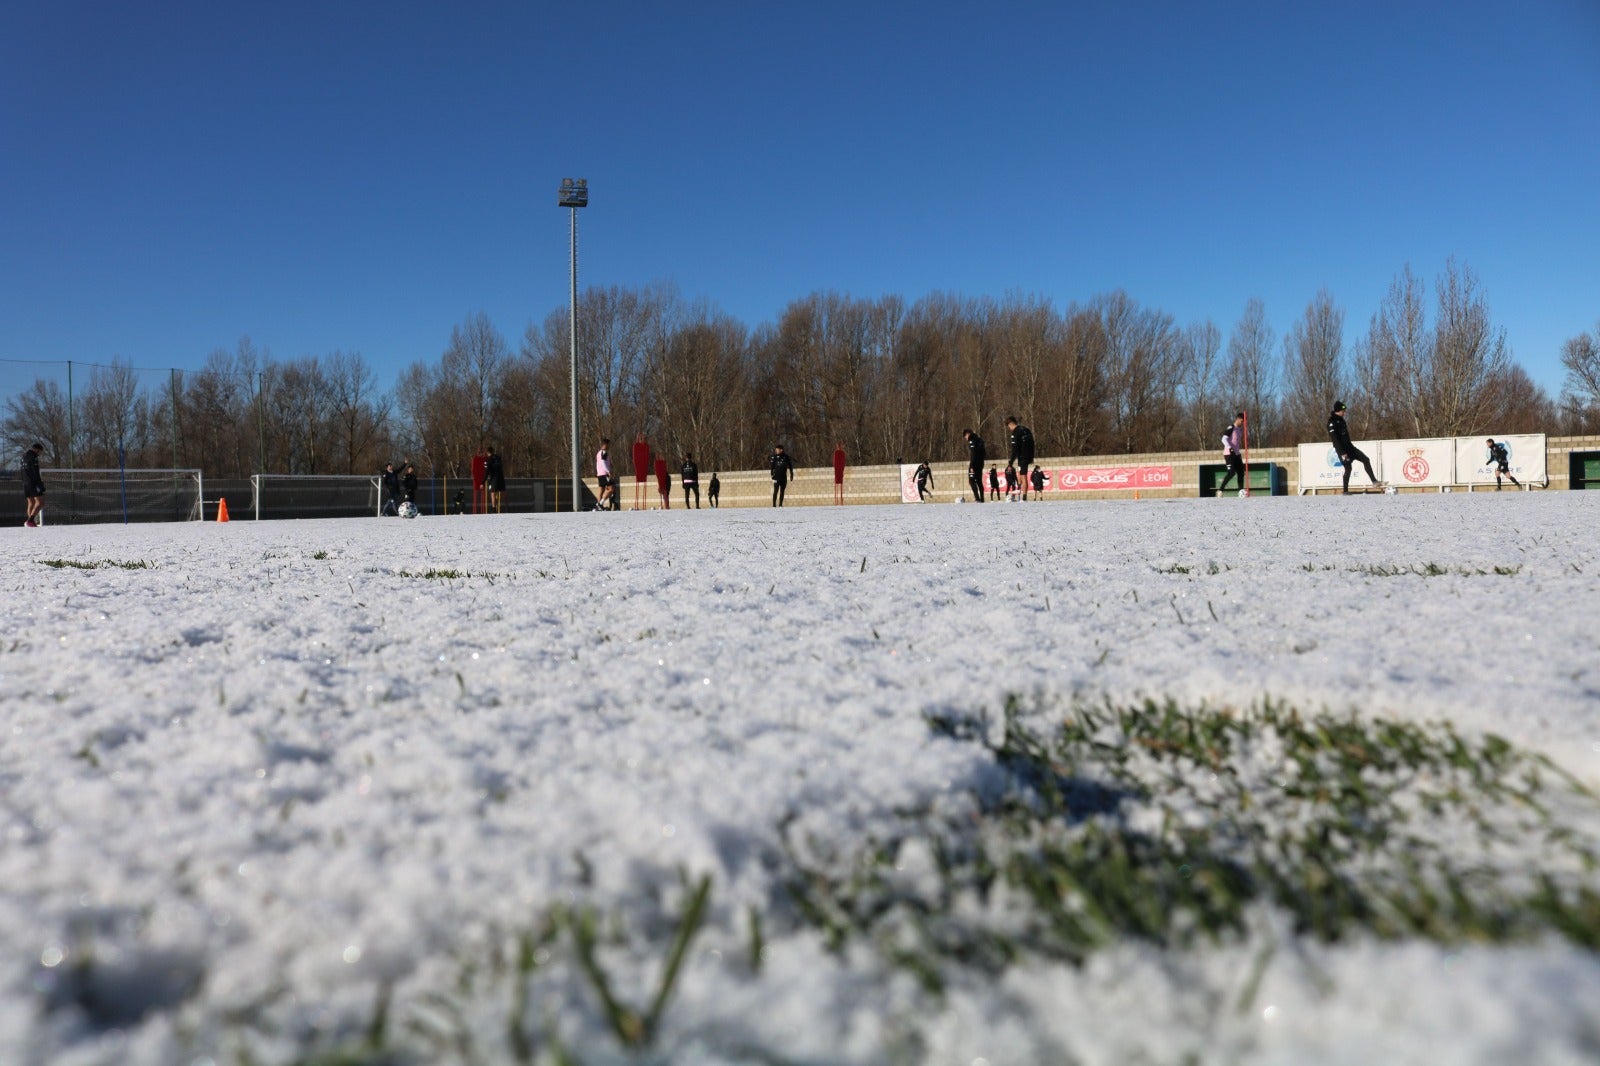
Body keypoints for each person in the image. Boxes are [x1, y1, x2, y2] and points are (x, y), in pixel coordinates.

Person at [1327, 401, 1379, 494]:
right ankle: (1345, 491)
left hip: (1351, 448)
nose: (1344, 413)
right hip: (1342, 451)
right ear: (1338, 411)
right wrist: (1342, 453)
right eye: (1343, 411)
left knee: (1366, 459)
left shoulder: (1342, 420)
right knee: (1348, 469)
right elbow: (1335, 440)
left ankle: (1374, 482)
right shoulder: (1331, 423)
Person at [1217, 412, 1247, 495]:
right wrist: (1229, 448)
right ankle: (1220, 490)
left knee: (1241, 472)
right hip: (1229, 454)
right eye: (1242, 421)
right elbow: (1223, 439)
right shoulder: (1231, 428)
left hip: (1237, 454)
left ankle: (1241, 490)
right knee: (1231, 472)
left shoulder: (1239, 430)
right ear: (1238, 419)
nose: (1242, 423)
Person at [21, 442, 45, 527]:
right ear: (36, 450)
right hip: (33, 483)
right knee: (40, 502)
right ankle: (30, 521)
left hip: (25, 482)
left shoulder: (23, 457)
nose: (39, 454)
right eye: (40, 452)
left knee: (31, 502)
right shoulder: (33, 458)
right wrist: (39, 484)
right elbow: (35, 473)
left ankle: (30, 522)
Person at [964, 430, 987, 503]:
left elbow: (973, 454)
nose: (966, 439)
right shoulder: (980, 440)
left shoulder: (972, 440)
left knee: (971, 481)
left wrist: (971, 466)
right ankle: (982, 499)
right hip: (981, 463)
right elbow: (984, 452)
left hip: (975, 464)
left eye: (965, 437)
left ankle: (977, 498)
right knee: (979, 481)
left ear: (968, 434)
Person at [632, 432, 651, 511]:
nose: (642, 440)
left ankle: (643, 504)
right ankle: (637, 504)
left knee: (643, 484)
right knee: (638, 483)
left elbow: (647, 457)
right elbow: (635, 457)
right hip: (639, 466)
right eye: (641, 438)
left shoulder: (646, 447)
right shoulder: (636, 446)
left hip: (643, 466)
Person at [594, 438, 614, 511]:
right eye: (609, 444)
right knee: (611, 489)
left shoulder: (598, 453)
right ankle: (600, 504)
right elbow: (603, 462)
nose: (609, 446)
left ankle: (598, 507)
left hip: (600, 474)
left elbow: (598, 463)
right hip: (604, 474)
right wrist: (608, 471)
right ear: (605, 444)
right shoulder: (604, 452)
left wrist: (598, 472)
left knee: (601, 491)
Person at [485, 447, 506, 513]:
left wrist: (483, 481)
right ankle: (500, 506)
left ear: (488, 452)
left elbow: (487, 471)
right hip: (501, 478)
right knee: (501, 492)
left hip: (493, 479)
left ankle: (494, 509)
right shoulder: (498, 458)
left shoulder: (489, 459)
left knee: (492, 493)